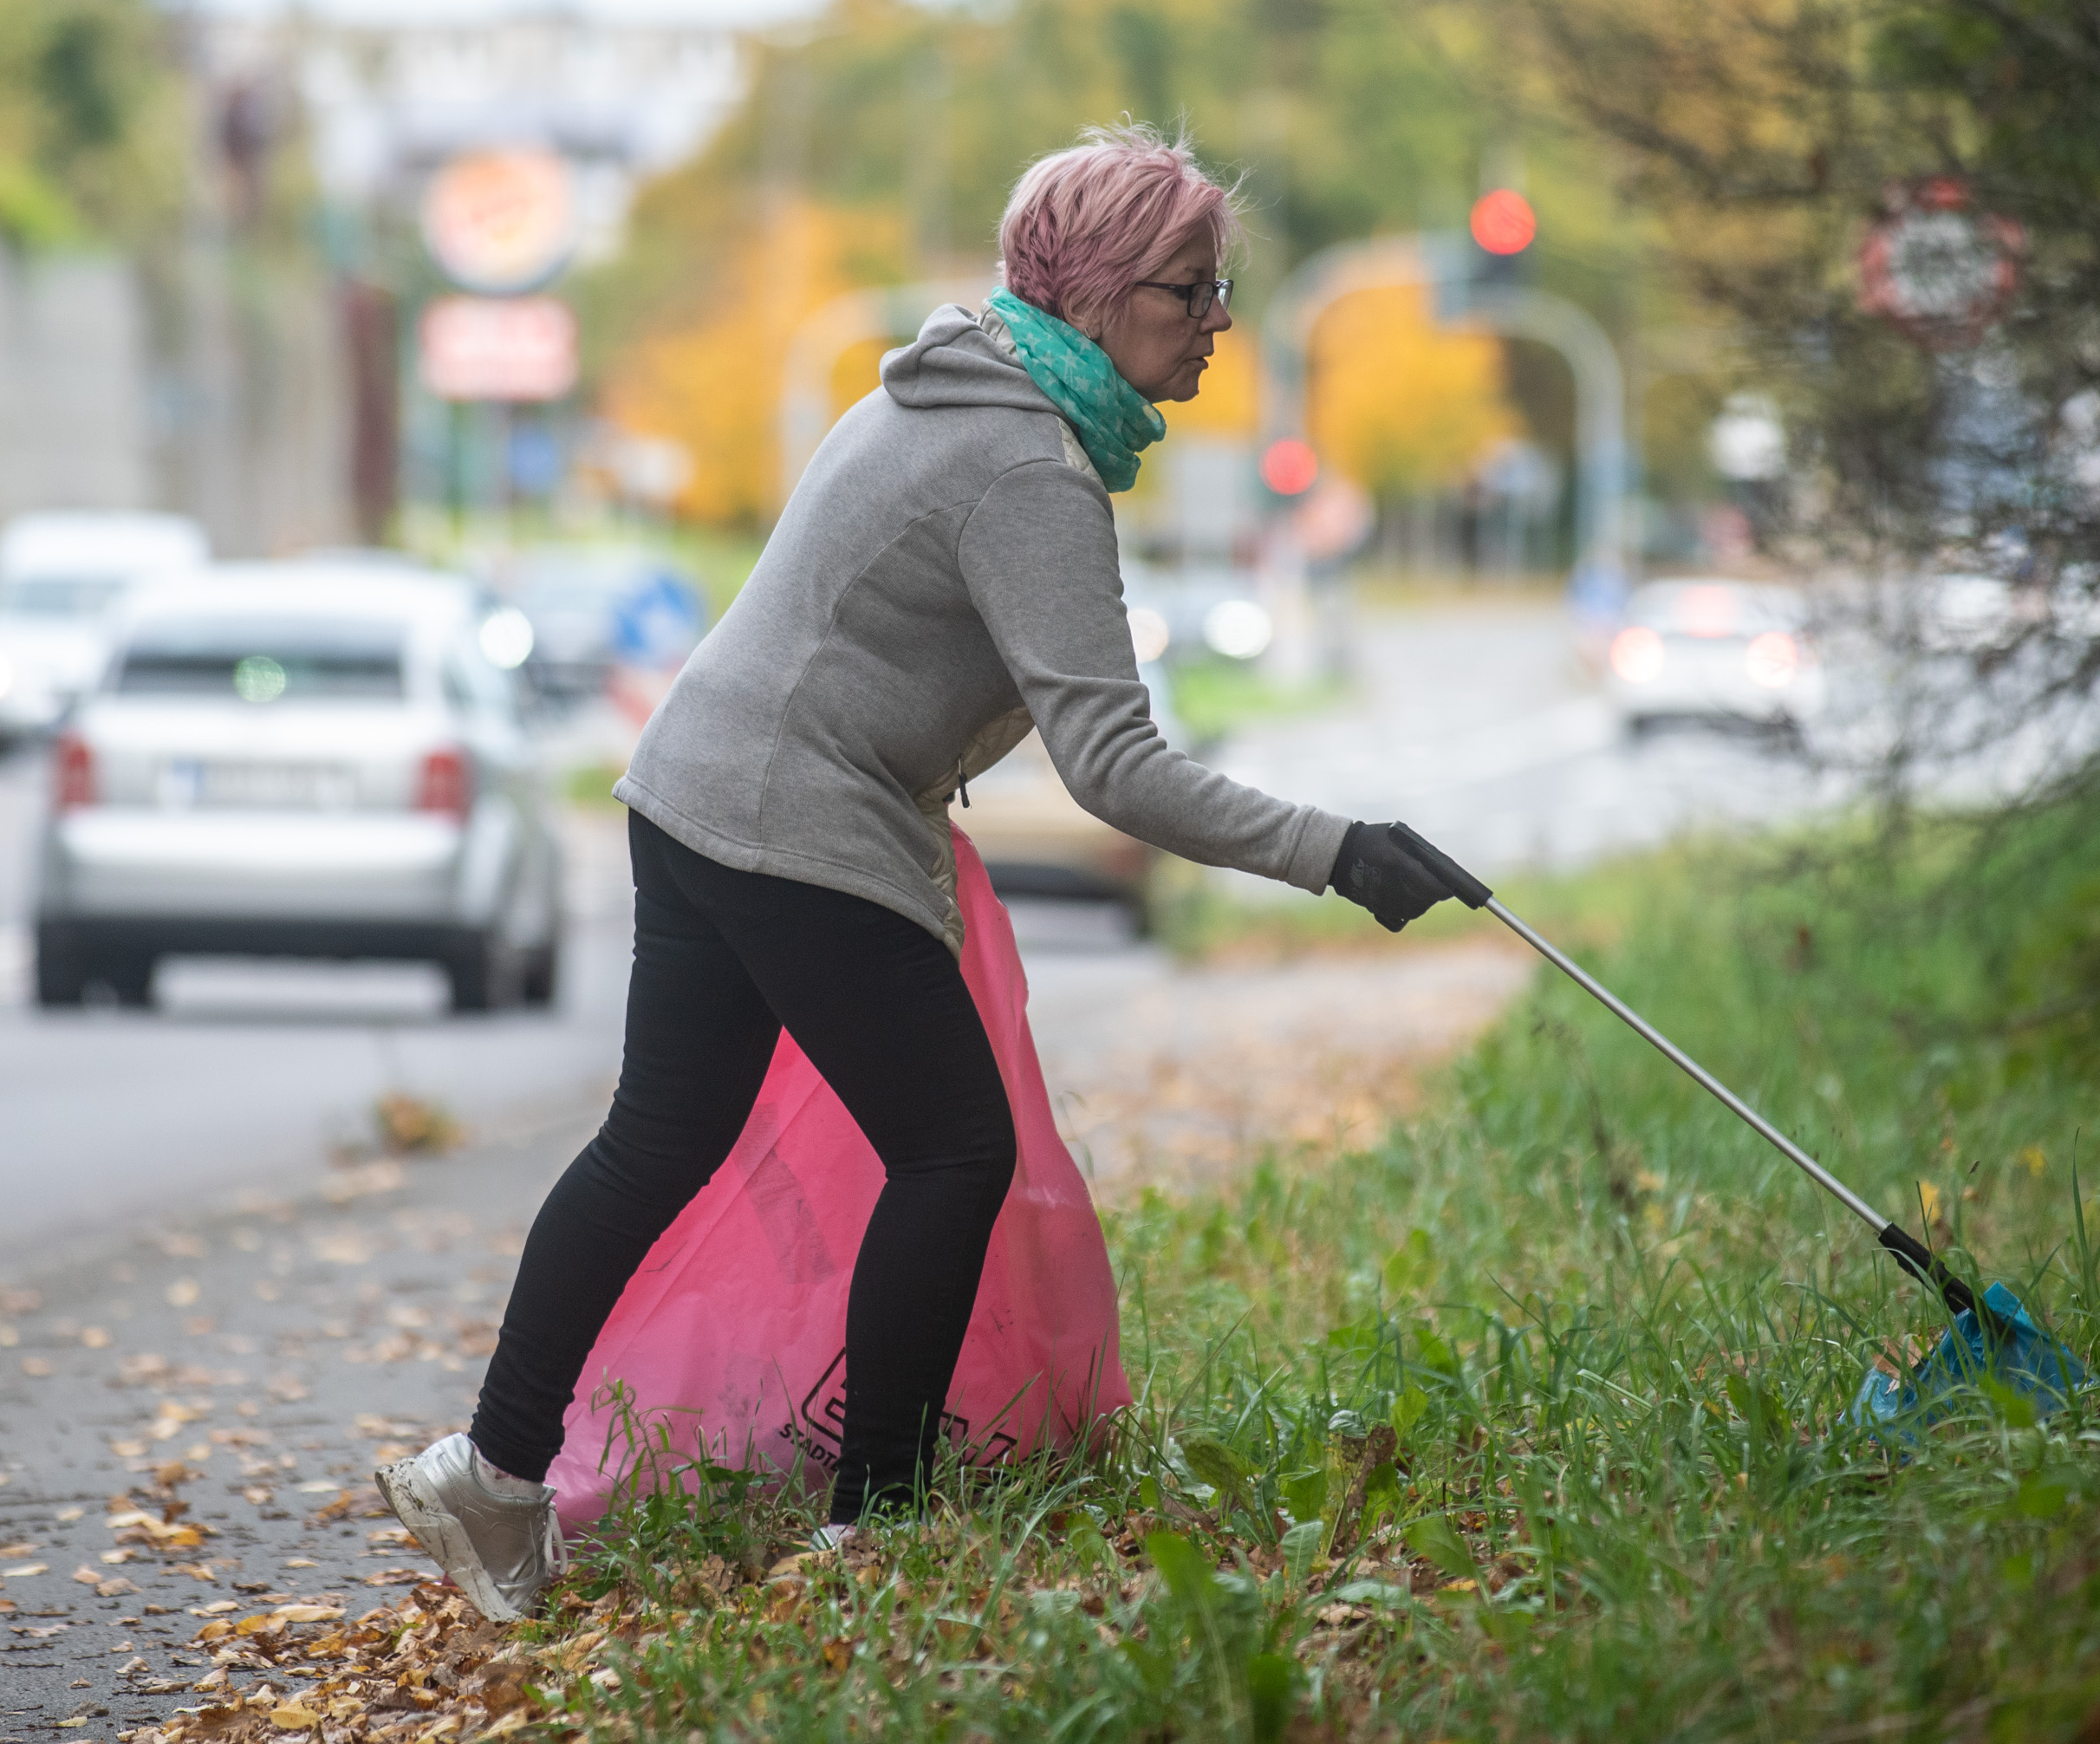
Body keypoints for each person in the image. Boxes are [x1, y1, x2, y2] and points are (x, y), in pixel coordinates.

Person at [376, 121, 1466, 1623]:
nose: (1219, 320)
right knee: (953, 1150)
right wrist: (1336, 851)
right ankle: (867, 1531)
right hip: (786, 818)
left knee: (662, 1134)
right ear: (1093, 297)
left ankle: (490, 1477)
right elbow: (1118, 769)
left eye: (1222, 288)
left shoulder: (951, 384)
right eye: (1191, 288)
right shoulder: (1024, 466)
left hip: (697, 789)